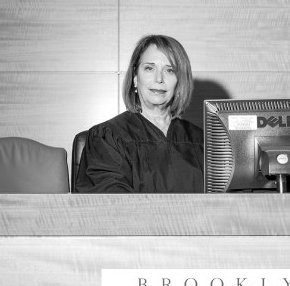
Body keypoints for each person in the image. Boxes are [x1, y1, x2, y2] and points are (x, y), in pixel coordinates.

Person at [74, 34, 204, 193]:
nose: (159, 79)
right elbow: (109, 207)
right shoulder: (108, 138)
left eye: (170, 70)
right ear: (135, 77)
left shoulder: (204, 141)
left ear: (180, 81)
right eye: (149, 68)